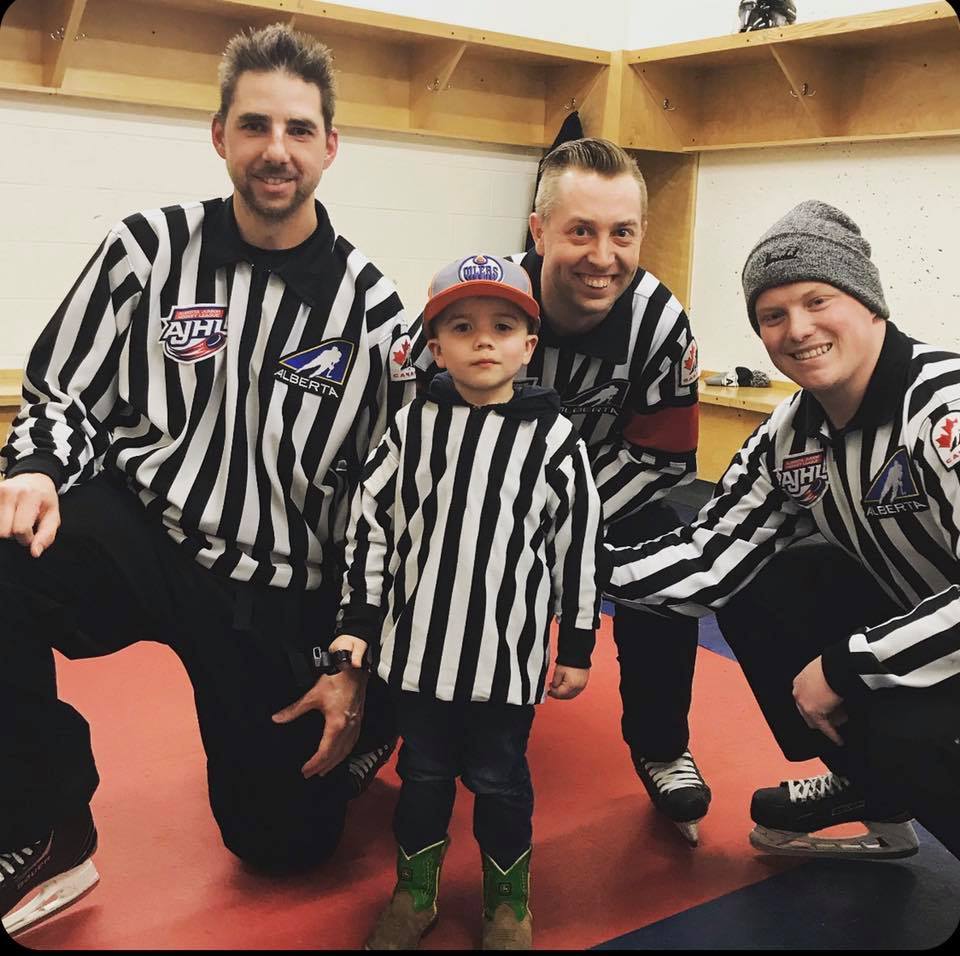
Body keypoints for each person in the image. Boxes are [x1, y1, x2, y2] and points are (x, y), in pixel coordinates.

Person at [0, 22, 415, 938]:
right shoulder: (146, 252)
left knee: (283, 844)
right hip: (149, 534)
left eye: (300, 130)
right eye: (256, 125)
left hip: (276, 582)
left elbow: (379, 506)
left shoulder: (374, 312)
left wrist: (355, 655)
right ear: (220, 134)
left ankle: (380, 721)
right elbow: (67, 387)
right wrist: (32, 467)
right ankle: (42, 823)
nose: (277, 150)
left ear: (330, 147)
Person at [605, 199, 960, 861]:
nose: (798, 330)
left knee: (892, 714)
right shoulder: (793, 434)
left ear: (869, 303)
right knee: (770, 581)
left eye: (818, 300)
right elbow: (711, 555)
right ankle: (876, 791)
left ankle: (894, 765)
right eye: (774, 315)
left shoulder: (945, 409)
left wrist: (849, 666)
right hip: (926, 639)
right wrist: (563, 571)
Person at [411, 137, 711, 845]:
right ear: (539, 231)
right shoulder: (475, 298)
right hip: (459, 495)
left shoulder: (663, 328)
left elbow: (664, 462)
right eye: (581, 231)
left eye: (622, 233)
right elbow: (409, 421)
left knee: (666, 539)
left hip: (597, 504)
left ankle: (662, 743)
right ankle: (382, 720)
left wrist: (555, 524)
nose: (603, 256)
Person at [329, 254, 604, 950]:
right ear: (434, 344)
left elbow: (579, 544)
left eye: (503, 326)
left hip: (503, 664)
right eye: (462, 326)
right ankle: (414, 892)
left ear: (528, 345)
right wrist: (359, 621)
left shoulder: (555, 440)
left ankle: (507, 904)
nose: (484, 341)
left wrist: (575, 643)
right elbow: (372, 525)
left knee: (501, 782)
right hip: (418, 656)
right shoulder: (410, 428)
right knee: (421, 776)